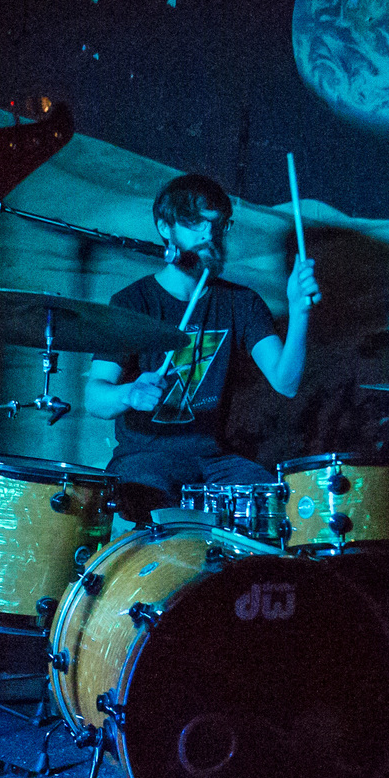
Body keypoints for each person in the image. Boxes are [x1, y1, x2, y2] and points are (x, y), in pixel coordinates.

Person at [84, 173, 320, 522]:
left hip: (214, 460)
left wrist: (299, 312)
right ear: (166, 228)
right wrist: (130, 394)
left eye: (217, 225)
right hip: (145, 458)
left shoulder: (242, 303)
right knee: (155, 508)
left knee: (275, 506)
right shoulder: (132, 303)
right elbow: (94, 398)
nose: (208, 235)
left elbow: (286, 383)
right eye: (194, 224)